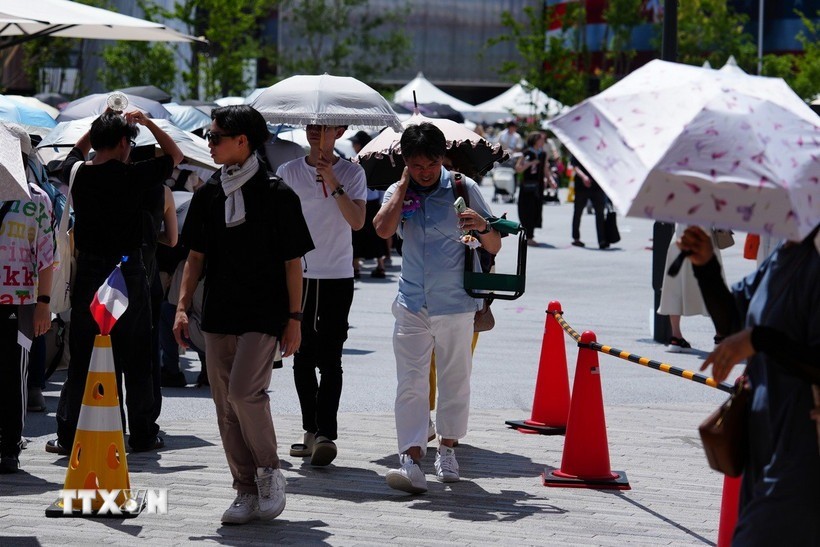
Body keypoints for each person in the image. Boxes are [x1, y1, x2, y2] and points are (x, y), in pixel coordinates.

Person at [174, 105, 314, 524]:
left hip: (265, 312)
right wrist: (181, 307)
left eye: (216, 137)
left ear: (243, 141)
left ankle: (270, 471)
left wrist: (295, 318)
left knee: (243, 393)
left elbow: (293, 262)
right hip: (218, 311)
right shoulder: (208, 193)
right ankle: (245, 489)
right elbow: (195, 257)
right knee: (224, 404)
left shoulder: (277, 193)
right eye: (209, 136)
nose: (210, 143)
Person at [374, 122, 501, 493]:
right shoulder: (398, 191)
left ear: (442, 158)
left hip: (456, 303)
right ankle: (411, 459)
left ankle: (447, 449)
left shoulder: (464, 187)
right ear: (405, 162)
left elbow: (494, 246)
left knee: (454, 379)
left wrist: (482, 226)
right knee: (410, 383)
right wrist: (402, 189)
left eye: (430, 164)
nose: (424, 172)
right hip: (411, 302)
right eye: (416, 165)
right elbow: (382, 230)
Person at [47, 111, 182, 456]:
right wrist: (147, 123)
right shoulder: (133, 175)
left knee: (83, 355)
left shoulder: (77, 173)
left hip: (89, 272)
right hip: (128, 271)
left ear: (96, 140)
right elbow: (175, 155)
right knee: (136, 355)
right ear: (124, 143)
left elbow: (75, 153)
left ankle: (69, 434)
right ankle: (142, 434)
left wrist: (100, 121)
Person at [680, 224, 820, 545]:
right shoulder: (784, 254)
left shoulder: (814, 259)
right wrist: (706, 265)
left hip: (803, 448)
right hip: (763, 443)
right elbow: (733, 323)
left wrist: (759, 340)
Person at [276, 124, 366, 467]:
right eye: (312, 125)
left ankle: (326, 433)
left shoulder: (353, 173)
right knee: (300, 356)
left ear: (340, 131)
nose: (317, 132)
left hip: (337, 275)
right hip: (297, 274)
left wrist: (333, 181)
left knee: (331, 359)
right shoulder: (288, 171)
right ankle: (310, 431)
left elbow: (358, 222)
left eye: (325, 127)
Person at [0, 123, 55, 473]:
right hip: (17, 300)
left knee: (11, 374)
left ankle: (9, 445)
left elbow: (47, 257)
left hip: (18, 302)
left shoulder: (36, 199)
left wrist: (44, 304)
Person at [658, 224, 726, 352]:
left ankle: (676, 337)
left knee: (675, 288)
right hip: (704, 239)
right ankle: (720, 337)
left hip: (680, 239)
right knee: (714, 288)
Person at [350, 131, 388, 279]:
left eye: (355, 143)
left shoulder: (356, 161)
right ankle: (380, 265)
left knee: (357, 234)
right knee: (374, 235)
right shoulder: (375, 159)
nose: (353, 146)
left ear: (359, 145)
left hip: (361, 201)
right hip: (372, 202)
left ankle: (356, 267)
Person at [515, 132, 547, 246]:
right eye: (540, 139)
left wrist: (550, 180)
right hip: (527, 186)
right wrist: (530, 163)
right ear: (535, 140)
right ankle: (528, 236)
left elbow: (545, 168)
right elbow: (518, 168)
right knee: (527, 209)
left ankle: (530, 235)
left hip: (538, 186)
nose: (543, 141)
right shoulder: (527, 153)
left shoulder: (543, 153)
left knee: (536, 209)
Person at [569, 159, 608, 249]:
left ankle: (602, 240)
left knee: (600, 213)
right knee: (578, 212)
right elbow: (575, 167)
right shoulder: (578, 150)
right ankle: (576, 238)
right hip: (581, 186)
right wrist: (584, 177)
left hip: (597, 185)